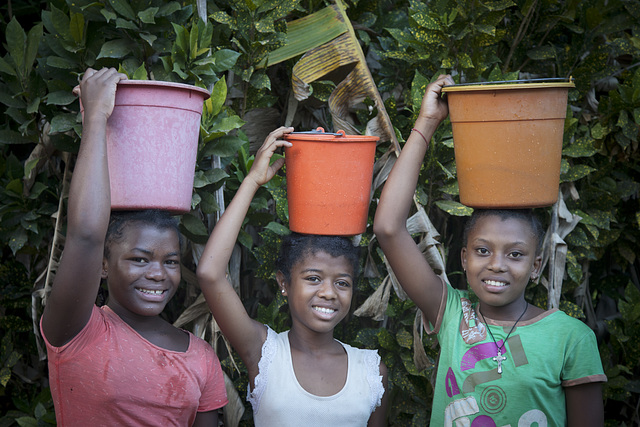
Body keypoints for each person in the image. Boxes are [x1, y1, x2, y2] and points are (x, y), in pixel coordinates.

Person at [373, 74, 607, 426]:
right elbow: (389, 228)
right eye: (483, 251)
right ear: (464, 258)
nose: (497, 265)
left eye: (515, 254)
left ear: (536, 265)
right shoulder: (452, 313)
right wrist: (428, 121)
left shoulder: (571, 338)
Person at [40, 68, 228, 426]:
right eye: (139, 259)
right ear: (104, 264)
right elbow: (85, 235)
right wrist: (95, 117)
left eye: (170, 261)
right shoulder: (77, 330)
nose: (157, 274)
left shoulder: (202, 358)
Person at [196, 127, 388, 426]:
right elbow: (210, 273)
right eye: (313, 278)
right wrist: (252, 181)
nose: (328, 292)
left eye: (342, 283)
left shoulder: (372, 371)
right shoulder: (264, 353)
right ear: (284, 283)